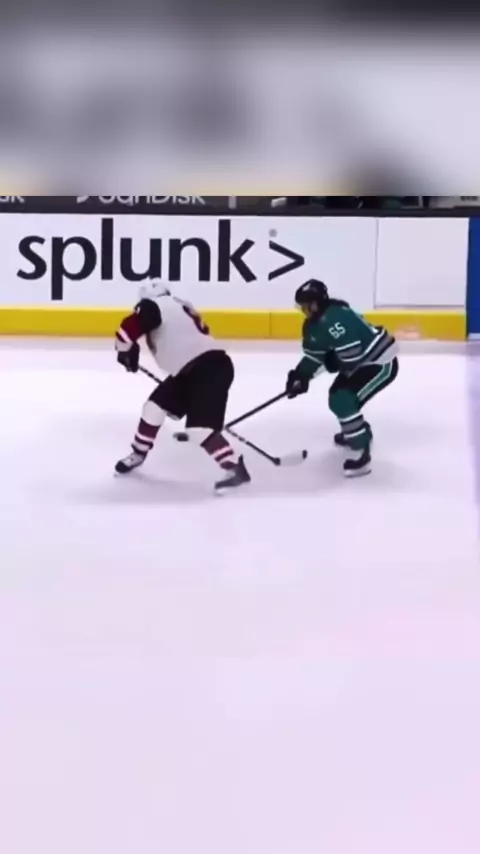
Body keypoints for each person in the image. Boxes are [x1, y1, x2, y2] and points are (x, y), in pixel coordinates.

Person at [114, 280, 251, 492]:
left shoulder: (154, 305)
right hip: (191, 371)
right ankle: (138, 454)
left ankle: (234, 467)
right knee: (153, 409)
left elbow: (127, 329)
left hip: (207, 370)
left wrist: (124, 350)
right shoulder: (181, 305)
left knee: (199, 430)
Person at [285, 279, 399, 477]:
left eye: (305, 306)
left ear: (316, 304)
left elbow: (351, 358)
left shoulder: (336, 318)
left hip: (380, 363)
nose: (303, 310)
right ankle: (356, 431)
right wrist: (300, 375)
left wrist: (328, 363)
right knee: (338, 397)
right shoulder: (315, 324)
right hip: (363, 363)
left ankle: (361, 452)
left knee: (343, 400)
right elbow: (315, 356)